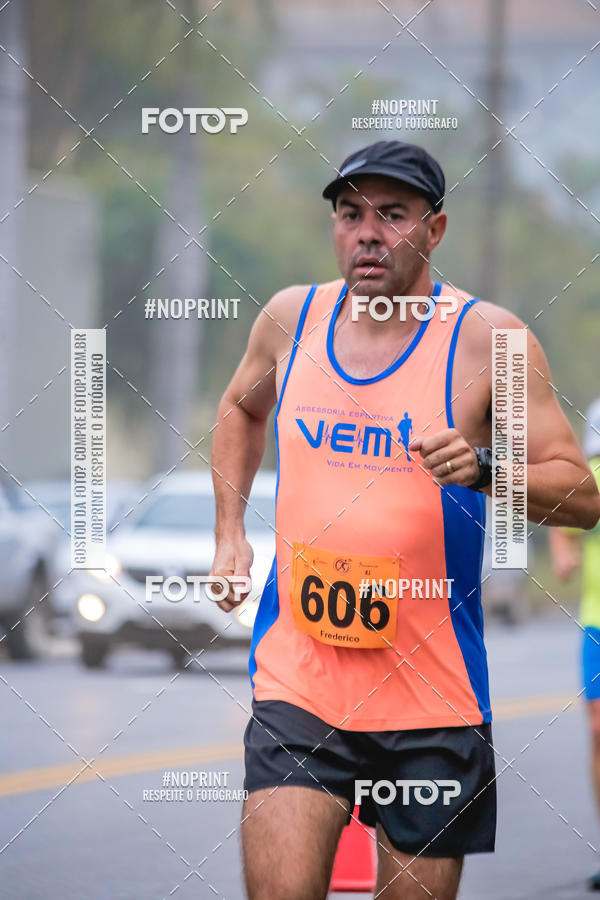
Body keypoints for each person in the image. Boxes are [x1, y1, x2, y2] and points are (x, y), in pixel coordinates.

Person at [209, 139, 600, 900]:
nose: (368, 233)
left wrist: (487, 470)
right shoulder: (292, 319)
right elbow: (238, 410)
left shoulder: (491, 343)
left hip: (433, 700)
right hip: (302, 683)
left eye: (392, 215)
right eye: (351, 214)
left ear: (436, 229)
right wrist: (229, 536)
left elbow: (583, 496)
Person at [549, 397, 600, 892]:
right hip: (597, 625)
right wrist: (564, 556)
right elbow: (565, 522)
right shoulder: (595, 478)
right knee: (599, 728)